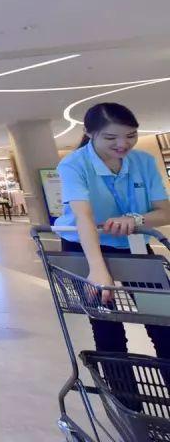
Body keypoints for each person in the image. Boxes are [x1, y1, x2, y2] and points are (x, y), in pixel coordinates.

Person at [56, 103, 170, 362]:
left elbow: (165, 211)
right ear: (89, 133)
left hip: (134, 245)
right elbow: (84, 217)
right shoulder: (74, 164)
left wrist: (134, 219)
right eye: (111, 138)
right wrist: (97, 270)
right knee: (107, 327)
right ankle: (121, 389)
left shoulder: (143, 161)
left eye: (131, 135)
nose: (123, 144)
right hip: (84, 247)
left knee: (162, 322)